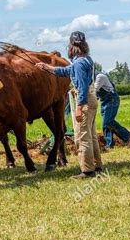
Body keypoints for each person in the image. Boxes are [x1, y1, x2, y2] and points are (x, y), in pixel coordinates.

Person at [36, 31, 102, 179]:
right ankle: (97, 166)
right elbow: (67, 70)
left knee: (82, 136)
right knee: (91, 135)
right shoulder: (86, 59)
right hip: (92, 98)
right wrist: (47, 67)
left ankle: (87, 171)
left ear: (71, 46)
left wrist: (79, 108)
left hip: (84, 100)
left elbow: (83, 86)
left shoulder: (78, 63)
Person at [95, 71, 130, 149]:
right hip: (104, 100)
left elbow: (94, 90)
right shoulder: (93, 78)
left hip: (111, 99)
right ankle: (110, 144)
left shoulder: (100, 77)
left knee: (108, 121)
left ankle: (127, 136)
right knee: (106, 123)